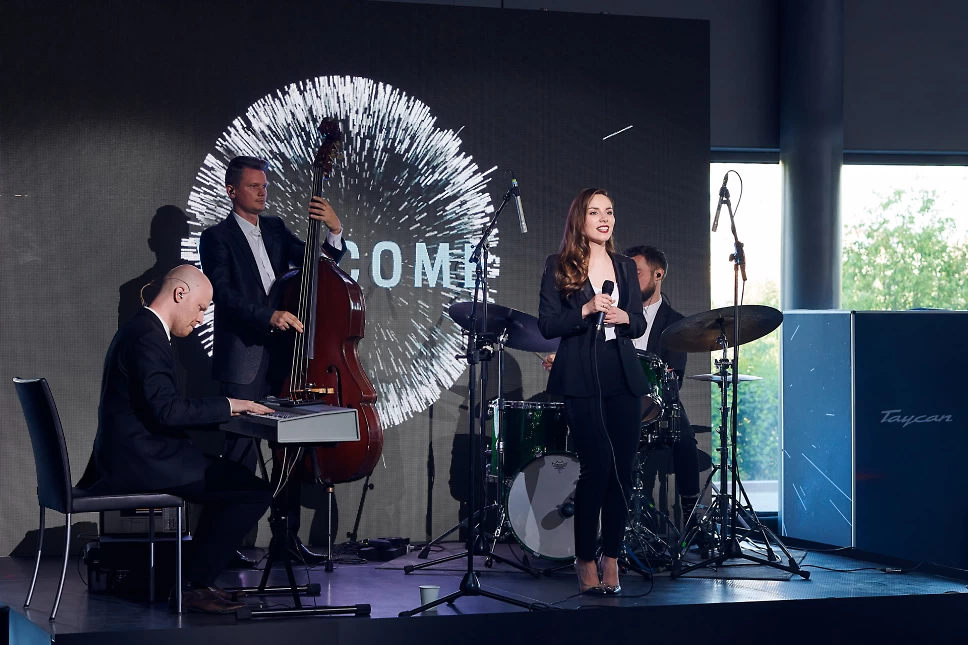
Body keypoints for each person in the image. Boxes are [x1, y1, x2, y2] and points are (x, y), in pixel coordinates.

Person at [91, 265, 273, 613]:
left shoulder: (141, 329)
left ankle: (189, 580)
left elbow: (159, 407)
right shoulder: (147, 336)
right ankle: (190, 585)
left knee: (232, 480)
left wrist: (227, 412)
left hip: (140, 453)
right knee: (252, 491)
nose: (201, 319)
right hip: (141, 461)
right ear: (180, 294)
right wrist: (229, 405)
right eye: (201, 308)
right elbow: (167, 410)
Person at [198, 155, 346, 565]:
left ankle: (286, 540)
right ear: (232, 191)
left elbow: (318, 267)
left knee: (289, 452)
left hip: (283, 359)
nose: (263, 192)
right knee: (239, 454)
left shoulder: (277, 229)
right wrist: (269, 315)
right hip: (242, 360)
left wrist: (334, 230)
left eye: (265, 186)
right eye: (254, 186)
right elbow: (223, 293)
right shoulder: (216, 237)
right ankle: (223, 545)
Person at [537, 188, 647, 595]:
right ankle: (584, 558)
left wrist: (624, 317)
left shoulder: (624, 265)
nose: (605, 219)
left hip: (623, 377)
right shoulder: (558, 265)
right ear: (579, 219)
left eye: (610, 212)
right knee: (596, 468)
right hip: (581, 378)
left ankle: (611, 557)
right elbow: (547, 324)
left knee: (622, 471)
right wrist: (584, 310)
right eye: (595, 212)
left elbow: (638, 323)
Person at [625, 245, 702, 527]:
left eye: (636, 272)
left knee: (685, 439)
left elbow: (675, 377)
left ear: (658, 274)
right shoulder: (615, 315)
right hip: (619, 397)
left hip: (660, 400)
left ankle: (691, 515)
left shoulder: (676, 323)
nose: (629, 279)